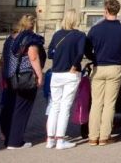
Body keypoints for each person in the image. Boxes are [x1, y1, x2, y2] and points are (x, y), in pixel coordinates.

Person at [85, 0, 121, 146]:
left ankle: (93, 136)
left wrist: (94, 57)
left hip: (98, 67)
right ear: (117, 11)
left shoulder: (95, 29)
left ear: (105, 10)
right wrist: (120, 59)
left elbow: (87, 49)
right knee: (109, 104)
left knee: (96, 103)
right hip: (115, 68)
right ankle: (105, 137)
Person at [0, 14, 46, 149]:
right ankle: (15, 141)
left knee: (10, 107)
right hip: (25, 77)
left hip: (9, 76)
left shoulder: (10, 38)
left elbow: (4, 58)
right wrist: (39, 75)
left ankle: (8, 137)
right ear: (33, 25)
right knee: (22, 109)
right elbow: (33, 56)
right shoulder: (30, 38)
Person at [45, 9, 86, 150]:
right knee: (65, 107)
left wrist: (59, 55)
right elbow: (81, 52)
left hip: (56, 73)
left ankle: (50, 139)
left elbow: (50, 53)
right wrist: (74, 65)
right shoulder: (80, 35)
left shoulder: (57, 35)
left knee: (54, 105)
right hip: (70, 73)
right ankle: (60, 139)